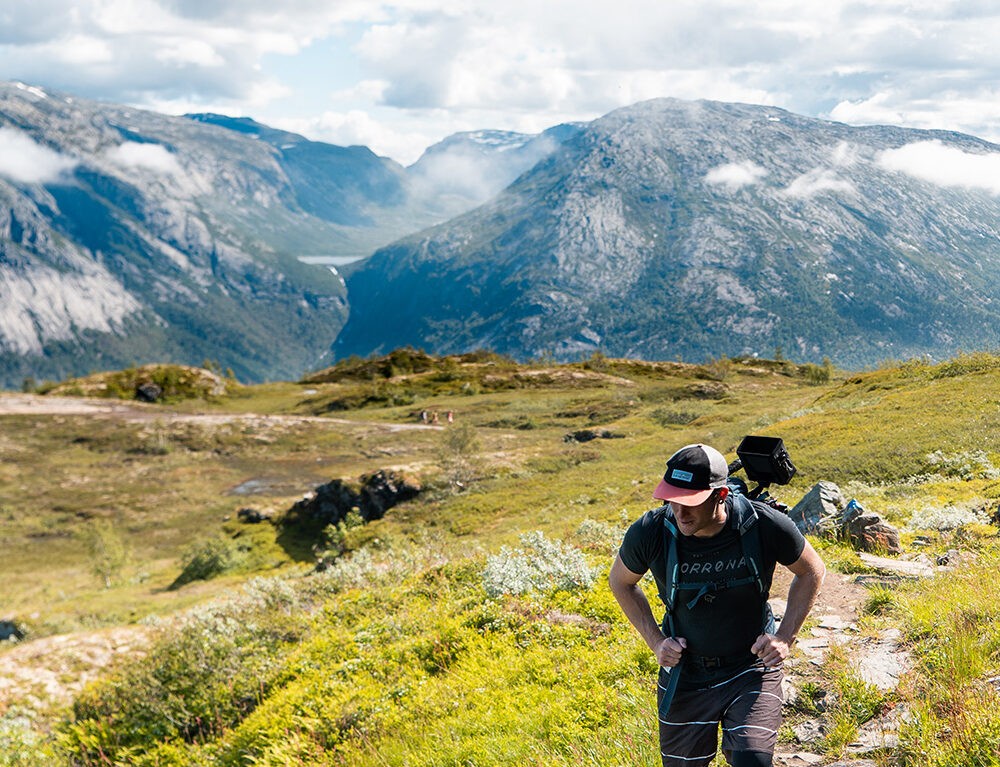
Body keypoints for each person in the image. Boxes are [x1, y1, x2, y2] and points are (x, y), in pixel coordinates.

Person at [609, 443, 825, 767]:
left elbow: (812, 570)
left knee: (751, 758)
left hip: (751, 667)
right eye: (673, 500)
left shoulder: (762, 524)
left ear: (720, 495)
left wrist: (784, 638)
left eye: (691, 503)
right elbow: (620, 582)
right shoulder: (651, 532)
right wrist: (656, 643)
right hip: (686, 674)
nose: (680, 512)